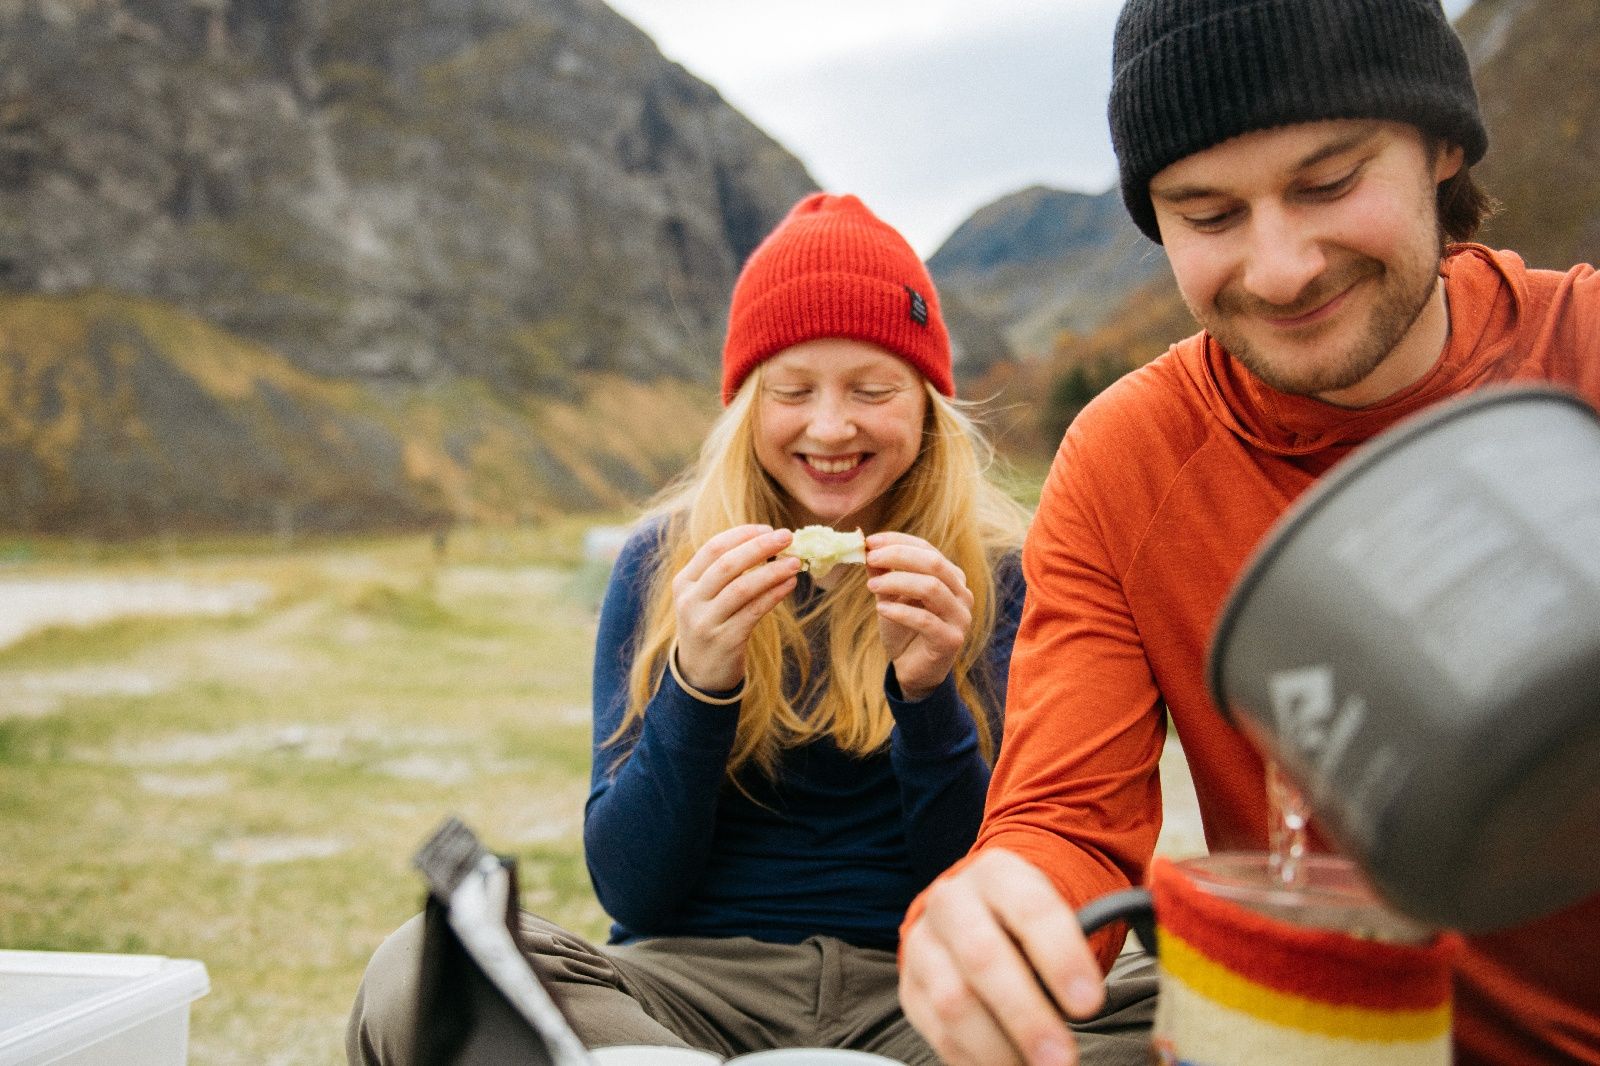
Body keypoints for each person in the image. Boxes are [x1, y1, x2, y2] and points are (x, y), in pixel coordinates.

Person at [896, 1, 1600, 1064]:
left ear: (1442, 145)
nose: (1278, 268)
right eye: (1207, 214)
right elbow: (1065, 823)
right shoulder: (1126, 459)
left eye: (1327, 183)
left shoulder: (1582, 351)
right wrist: (995, 899)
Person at [346, 192, 1032, 1065]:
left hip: (927, 985)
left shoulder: (998, 575)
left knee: (1153, 994)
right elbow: (637, 889)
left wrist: (930, 698)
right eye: (793, 390)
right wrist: (698, 684)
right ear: (747, 406)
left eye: (872, 389)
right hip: (683, 992)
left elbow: (987, 885)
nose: (830, 426)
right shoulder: (658, 564)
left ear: (929, 407)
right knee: (420, 970)